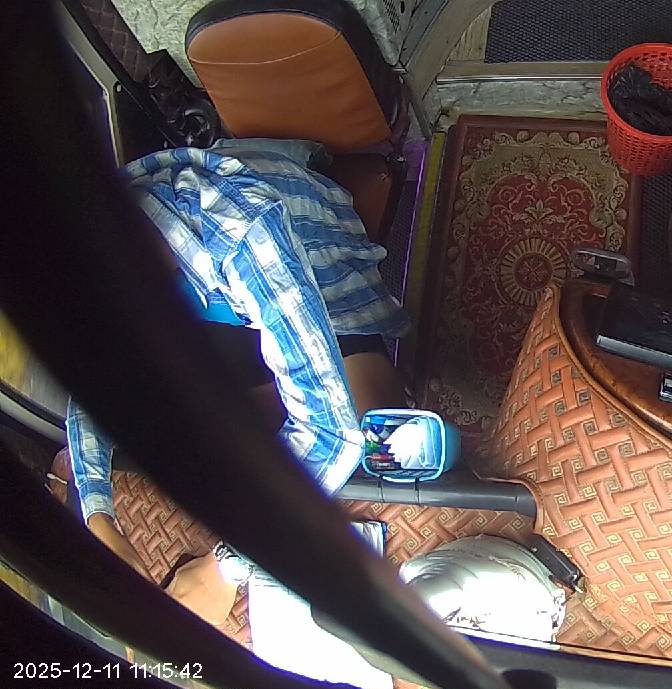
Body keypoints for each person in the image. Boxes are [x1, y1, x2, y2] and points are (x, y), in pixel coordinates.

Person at [62, 139, 412, 609]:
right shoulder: (87, 259)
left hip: (323, 295)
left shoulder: (241, 228)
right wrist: (99, 519)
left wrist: (225, 569)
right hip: (221, 309)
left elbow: (334, 434)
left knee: (378, 444)